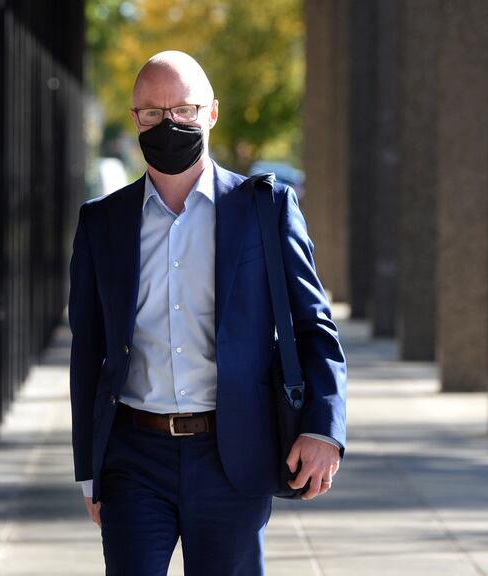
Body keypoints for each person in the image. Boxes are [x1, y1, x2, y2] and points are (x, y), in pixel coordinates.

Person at [68, 50, 347, 575]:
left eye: (184, 110)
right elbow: (88, 353)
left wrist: (323, 429)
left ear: (211, 113)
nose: (168, 124)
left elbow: (314, 326)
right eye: (152, 113)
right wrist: (90, 469)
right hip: (132, 459)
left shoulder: (265, 209)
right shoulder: (101, 223)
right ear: (134, 119)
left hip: (233, 454)